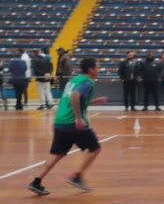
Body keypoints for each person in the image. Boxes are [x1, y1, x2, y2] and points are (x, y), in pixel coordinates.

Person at [28, 58, 107, 196]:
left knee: (57, 154)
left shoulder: (74, 80)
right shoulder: (87, 82)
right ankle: (77, 176)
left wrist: (93, 102)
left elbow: (74, 98)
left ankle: (36, 182)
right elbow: (75, 96)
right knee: (95, 148)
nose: (99, 70)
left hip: (60, 121)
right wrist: (78, 118)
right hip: (72, 123)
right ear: (91, 69)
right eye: (97, 67)